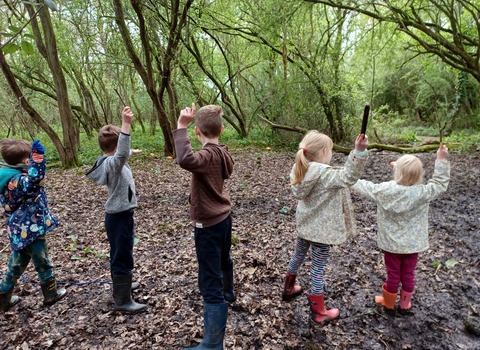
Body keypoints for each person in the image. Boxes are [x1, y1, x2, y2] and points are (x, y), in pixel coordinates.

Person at [352, 143, 450, 314]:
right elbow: (440, 184)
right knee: (408, 274)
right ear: (420, 175)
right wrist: (441, 160)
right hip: (413, 245)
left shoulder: (384, 190)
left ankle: (389, 303)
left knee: (393, 274)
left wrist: (347, 176)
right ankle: (405, 304)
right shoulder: (422, 192)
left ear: (397, 173)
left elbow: (364, 186)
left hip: (391, 245)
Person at [283, 131, 369, 324]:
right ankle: (319, 311)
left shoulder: (300, 168)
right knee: (318, 268)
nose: (331, 154)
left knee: (298, 256)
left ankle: (288, 288)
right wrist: (359, 152)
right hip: (321, 232)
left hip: (305, 227)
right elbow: (348, 176)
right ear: (323, 151)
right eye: (330, 150)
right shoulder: (326, 174)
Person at [173, 103, 235, 350]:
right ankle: (228, 292)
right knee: (223, 260)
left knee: (209, 278)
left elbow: (185, 159)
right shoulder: (222, 152)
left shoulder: (207, 156)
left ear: (197, 132)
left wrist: (181, 126)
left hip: (208, 225)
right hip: (223, 219)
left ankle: (212, 344)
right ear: (222, 129)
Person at [86, 106, 147, 314]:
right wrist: (126, 124)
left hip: (121, 216)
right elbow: (120, 155)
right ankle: (122, 300)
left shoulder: (109, 161)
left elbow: (121, 153)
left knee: (122, 252)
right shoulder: (113, 163)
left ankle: (124, 286)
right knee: (122, 255)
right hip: (119, 217)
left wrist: (132, 151)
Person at [0, 138, 66, 311]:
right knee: (43, 261)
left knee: (16, 264)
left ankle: (3, 298)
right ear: (26, 161)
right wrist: (39, 160)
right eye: (30, 158)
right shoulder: (16, 181)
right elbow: (34, 182)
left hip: (21, 230)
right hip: (30, 230)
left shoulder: (9, 176)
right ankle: (51, 294)